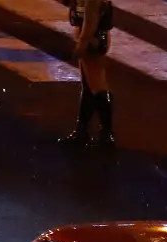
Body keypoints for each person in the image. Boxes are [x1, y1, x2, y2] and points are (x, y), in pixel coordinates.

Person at [62, 0, 115, 146]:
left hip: (92, 39)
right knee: (88, 86)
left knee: (96, 87)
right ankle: (83, 131)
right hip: (91, 38)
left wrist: (83, 43)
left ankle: (106, 134)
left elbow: (90, 20)